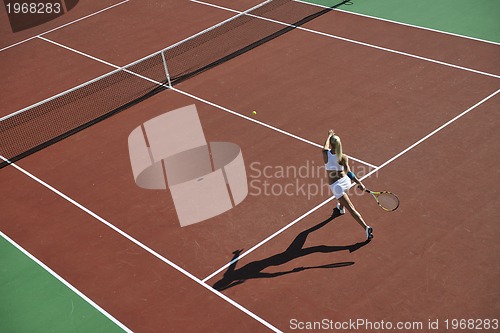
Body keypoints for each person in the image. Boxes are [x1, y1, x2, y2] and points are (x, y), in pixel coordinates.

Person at [322, 129, 373, 240]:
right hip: (346, 181)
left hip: (337, 186)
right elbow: (349, 172)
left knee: (351, 208)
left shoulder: (325, 154)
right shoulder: (343, 157)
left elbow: (325, 146)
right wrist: (359, 183)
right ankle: (340, 207)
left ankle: (366, 228)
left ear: (331, 144)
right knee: (342, 200)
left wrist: (329, 135)